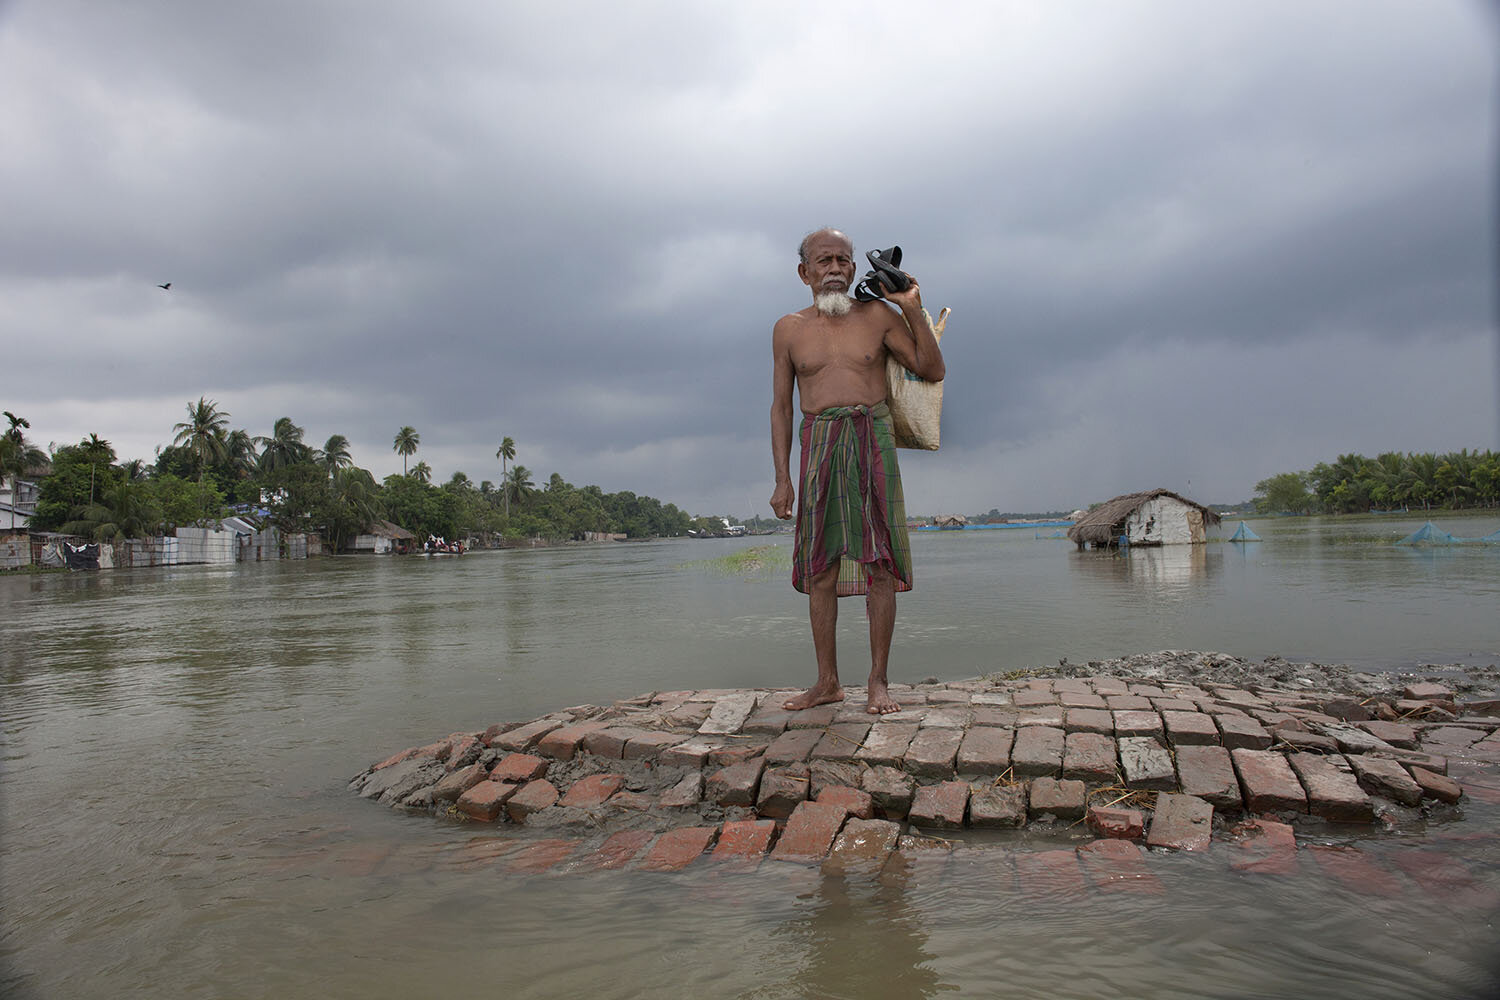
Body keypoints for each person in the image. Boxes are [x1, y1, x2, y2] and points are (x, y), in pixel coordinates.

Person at [770, 228, 945, 715]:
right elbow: (781, 408)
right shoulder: (788, 329)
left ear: (853, 269)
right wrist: (782, 478)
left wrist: (910, 305)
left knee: (880, 565)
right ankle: (827, 682)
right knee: (820, 567)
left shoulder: (879, 316)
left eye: (843, 260)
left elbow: (933, 370)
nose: (836, 268)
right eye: (824, 260)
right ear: (804, 272)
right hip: (819, 443)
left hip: (873, 438)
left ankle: (878, 682)